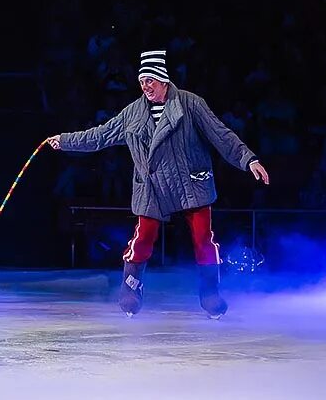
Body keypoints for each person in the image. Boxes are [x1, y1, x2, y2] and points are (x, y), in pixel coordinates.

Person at [46, 50, 269, 319]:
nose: (145, 86)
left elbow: (221, 135)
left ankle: (210, 292)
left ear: (163, 79)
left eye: (150, 80)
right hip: (152, 186)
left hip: (190, 183)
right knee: (142, 238)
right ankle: (132, 286)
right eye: (142, 81)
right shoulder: (133, 113)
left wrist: (249, 159)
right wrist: (65, 140)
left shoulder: (190, 104)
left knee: (203, 239)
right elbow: (100, 135)